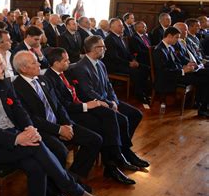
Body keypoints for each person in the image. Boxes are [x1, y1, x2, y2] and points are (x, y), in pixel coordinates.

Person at [0, 49, 112, 196]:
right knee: (38, 144)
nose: (5, 66)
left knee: (37, 167)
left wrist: (30, 127)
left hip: (16, 134)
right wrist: (18, 139)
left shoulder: (4, 84)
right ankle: (76, 192)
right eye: (0, 64)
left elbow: (19, 110)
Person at [12, 51, 102, 196]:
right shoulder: (16, 88)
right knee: (60, 151)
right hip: (43, 129)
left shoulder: (42, 79)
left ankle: (72, 178)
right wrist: (58, 130)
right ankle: (54, 191)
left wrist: (67, 124)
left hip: (61, 123)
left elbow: (58, 105)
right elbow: (32, 119)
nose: (40, 64)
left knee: (95, 139)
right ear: (24, 68)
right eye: (34, 63)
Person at [44, 48, 141, 185]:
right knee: (103, 128)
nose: (69, 62)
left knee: (108, 115)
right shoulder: (49, 78)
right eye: (65, 60)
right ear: (55, 63)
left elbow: (78, 92)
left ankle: (114, 159)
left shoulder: (67, 72)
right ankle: (113, 160)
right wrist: (86, 106)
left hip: (81, 106)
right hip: (71, 114)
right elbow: (62, 105)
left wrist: (93, 103)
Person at [69, 35, 150, 168]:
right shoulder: (81, 67)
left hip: (108, 100)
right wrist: (108, 102)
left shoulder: (100, 63)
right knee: (122, 120)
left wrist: (114, 101)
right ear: (95, 49)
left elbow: (109, 85)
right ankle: (119, 154)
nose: (105, 49)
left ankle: (124, 149)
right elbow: (88, 93)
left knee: (136, 114)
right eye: (103, 47)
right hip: (95, 104)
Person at [154, 26, 209, 117]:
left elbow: (177, 61)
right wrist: (182, 70)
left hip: (179, 72)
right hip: (172, 77)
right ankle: (202, 108)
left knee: (206, 73)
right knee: (205, 80)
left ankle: (202, 104)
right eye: (176, 37)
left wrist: (188, 65)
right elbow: (163, 72)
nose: (178, 39)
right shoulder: (159, 50)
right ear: (169, 36)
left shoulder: (170, 47)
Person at [103, 18, 150, 104]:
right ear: (112, 27)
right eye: (120, 26)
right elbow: (114, 57)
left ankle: (144, 91)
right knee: (137, 71)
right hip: (114, 65)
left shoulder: (119, 37)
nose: (123, 28)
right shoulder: (110, 39)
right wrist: (129, 63)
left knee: (145, 68)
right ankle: (139, 95)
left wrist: (133, 60)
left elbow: (127, 53)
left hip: (122, 63)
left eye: (122, 26)